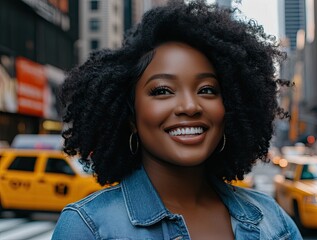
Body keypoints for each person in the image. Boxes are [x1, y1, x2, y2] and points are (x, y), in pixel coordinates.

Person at [52, 1, 302, 239]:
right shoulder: (87, 227)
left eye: (207, 90)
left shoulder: (273, 222)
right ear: (131, 116)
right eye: (162, 90)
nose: (190, 106)